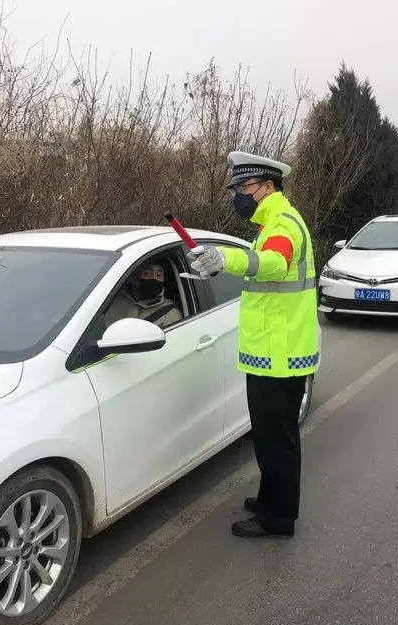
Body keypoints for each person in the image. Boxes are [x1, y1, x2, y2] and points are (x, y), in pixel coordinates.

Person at [187, 151, 319, 538]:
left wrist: (224, 259)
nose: (238, 196)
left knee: (275, 440)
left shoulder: (282, 224)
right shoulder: (271, 223)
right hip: (275, 351)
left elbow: (274, 263)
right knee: (273, 436)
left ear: (267, 186)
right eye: (236, 189)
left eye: (243, 187)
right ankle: (270, 499)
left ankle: (277, 519)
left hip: (280, 354)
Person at [110, 261, 183, 329]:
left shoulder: (170, 312)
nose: (154, 278)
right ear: (135, 277)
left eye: (159, 275)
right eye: (147, 274)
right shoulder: (112, 300)